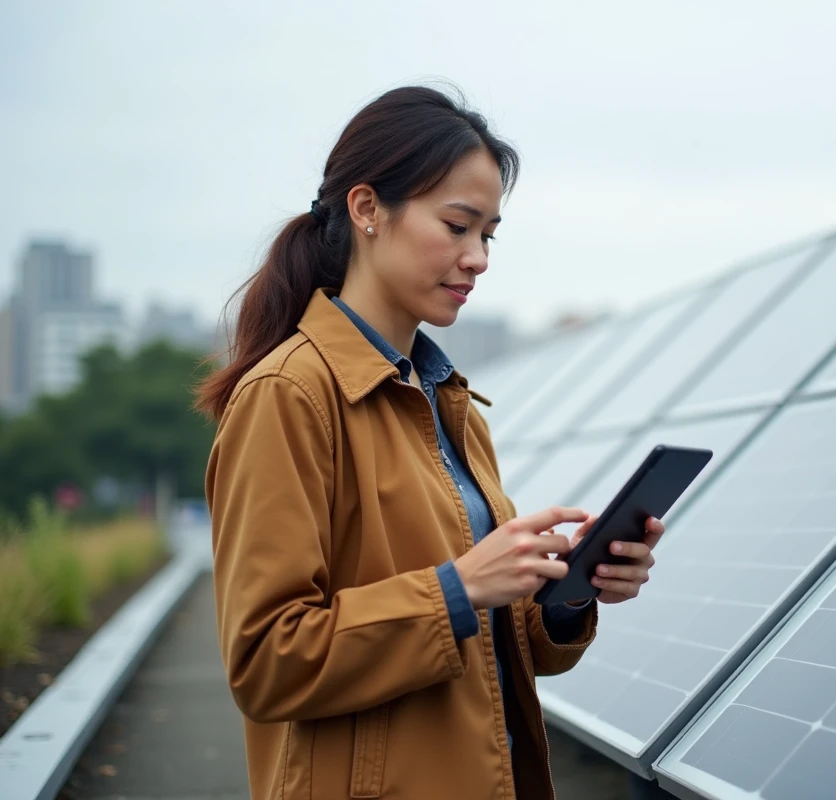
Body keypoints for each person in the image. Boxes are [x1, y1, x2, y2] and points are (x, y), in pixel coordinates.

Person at [195, 84, 665, 800]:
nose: (477, 257)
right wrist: (461, 587)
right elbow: (267, 662)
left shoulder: (453, 405)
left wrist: (571, 593)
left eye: (489, 234)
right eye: (456, 225)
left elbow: (500, 648)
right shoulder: (289, 395)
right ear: (366, 209)